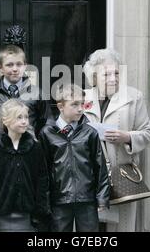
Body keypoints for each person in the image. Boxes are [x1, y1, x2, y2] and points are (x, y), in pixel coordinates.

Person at [82, 49, 150, 232]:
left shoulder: (133, 97)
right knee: (92, 228)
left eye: (116, 72)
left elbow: (147, 133)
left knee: (122, 227)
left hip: (121, 176)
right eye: (106, 74)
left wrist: (127, 137)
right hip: (90, 177)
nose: (113, 78)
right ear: (94, 76)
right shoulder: (83, 98)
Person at [39, 84, 110, 232]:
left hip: (86, 198)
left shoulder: (90, 133)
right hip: (59, 199)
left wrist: (102, 197)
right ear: (60, 106)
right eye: (74, 104)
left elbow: (100, 166)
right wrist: (43, 201)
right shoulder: (47, 133)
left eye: (82, 104)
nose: (80, 109)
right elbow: (42, 171)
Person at [0, 99, 50, 232]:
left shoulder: (35, 147)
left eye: (26, 117)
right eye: (19, 117)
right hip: (3, 213)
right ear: (5, 121)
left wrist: (41, 209)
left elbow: (42, 179)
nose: (24, 121)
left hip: (28, 214)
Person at [0, 44, 51, 136]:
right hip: (2, 146)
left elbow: (47, 123)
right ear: (0, 68)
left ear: (25, 66)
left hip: (29, 146)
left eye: (19, 64)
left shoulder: (37, 93)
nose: (15, 69)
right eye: (9, 65)